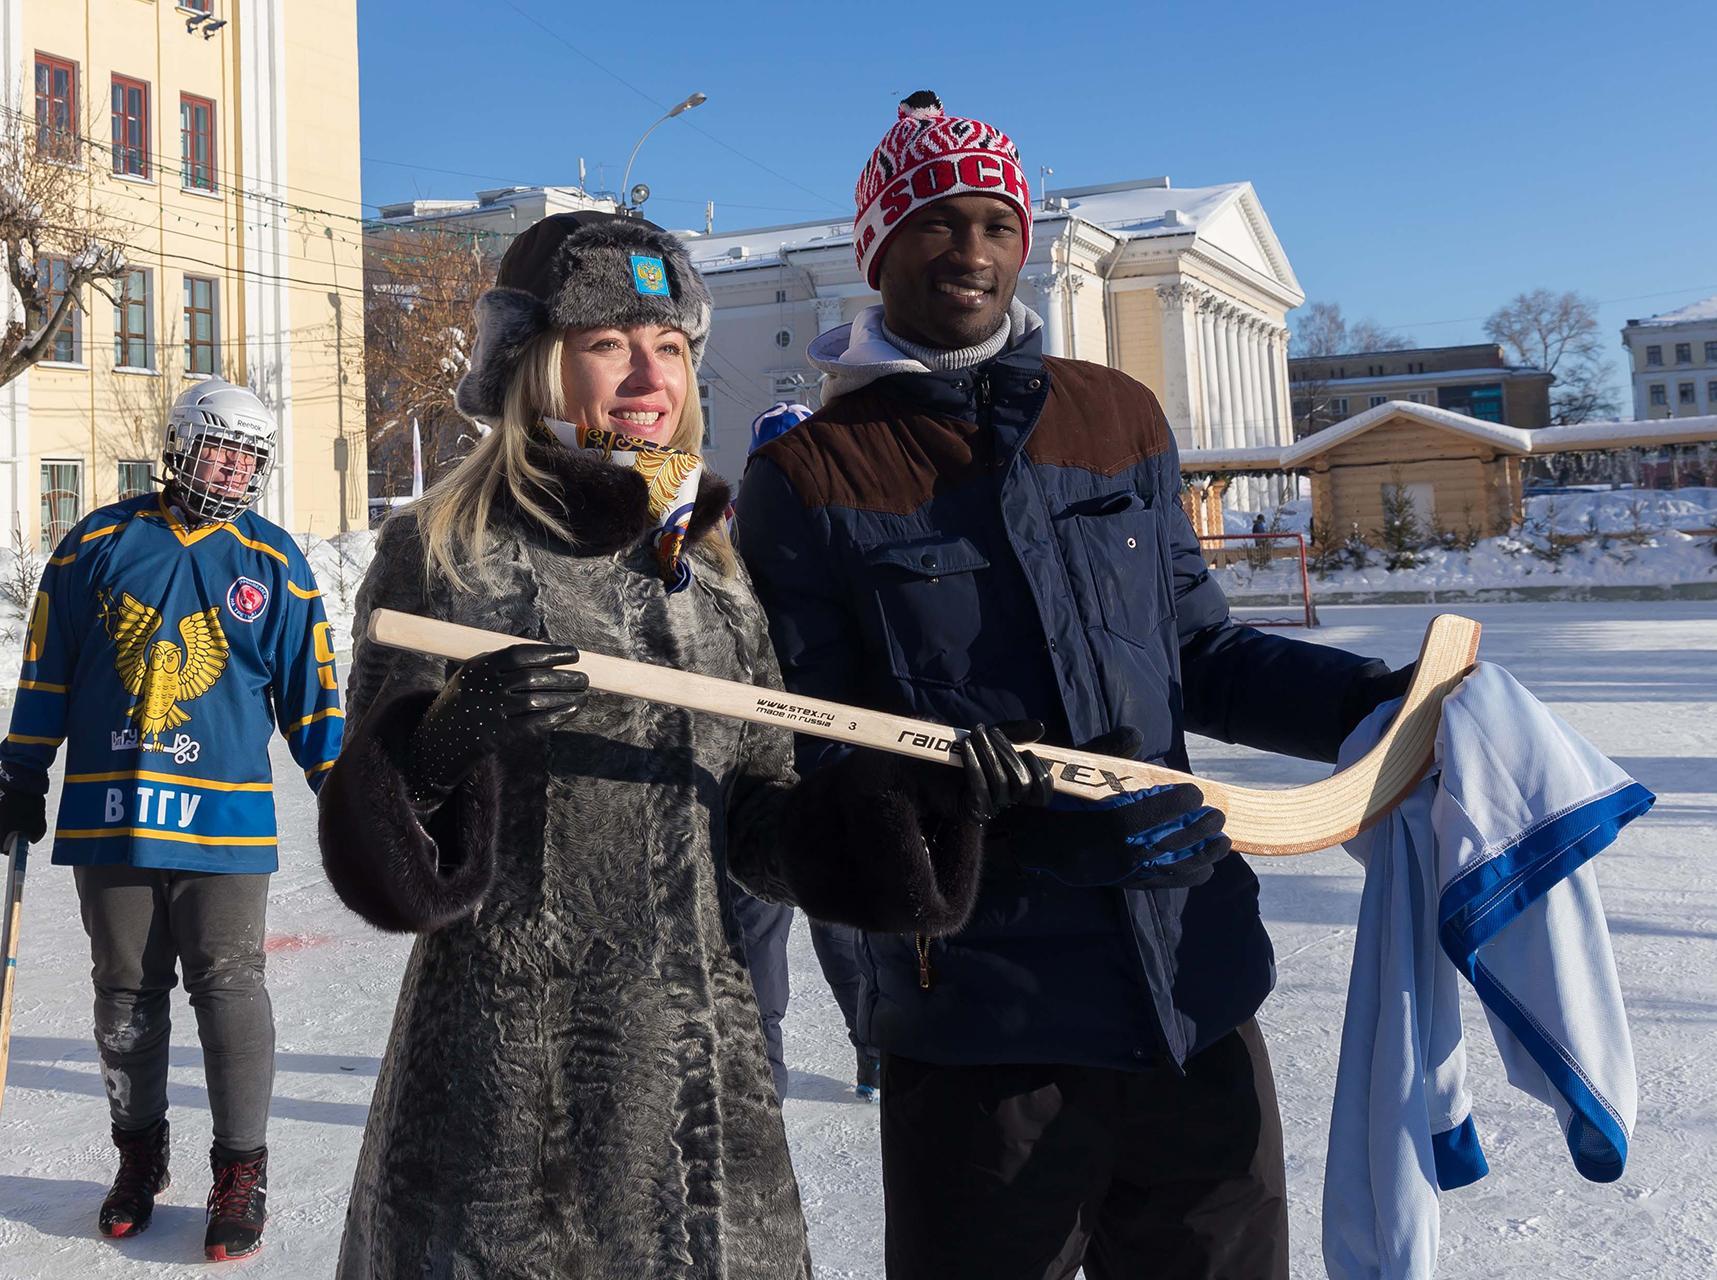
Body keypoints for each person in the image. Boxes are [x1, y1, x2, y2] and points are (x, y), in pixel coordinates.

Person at [735, 92, 1414, 1279]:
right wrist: (991, 829)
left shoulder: (1116, 416)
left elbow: (1200, 650)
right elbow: (811, 751)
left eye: (997, 224)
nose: (975, 252)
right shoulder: (810, 475)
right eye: (939, 223)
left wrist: (1377, 703)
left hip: (1191, 989)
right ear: (878, 247)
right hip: (982, 1027)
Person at [316, 211, 1047, 1279]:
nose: (645, 373)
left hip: (699, 1096)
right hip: (500, 1091)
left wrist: (905, 797)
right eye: (607, 341)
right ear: (533, 361)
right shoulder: (444, 551)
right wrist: (438, 746)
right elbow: (375, 842)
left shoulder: (712, 562)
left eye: (667, 345)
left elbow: (759, 821)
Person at [0, 378, 342, 1261]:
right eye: (221, 448)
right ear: (181, 446)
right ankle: (138, 1156)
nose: (235, 467)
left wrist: (341, 783)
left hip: (224, 821)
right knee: (124, 992)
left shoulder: (272, 562)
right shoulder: (98, 544)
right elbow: (47, 669)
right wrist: (18, 770)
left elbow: (314, 697)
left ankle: (240, 1170)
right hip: (112, 810)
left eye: (251, 456)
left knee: (228, 986)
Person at [730, 400, 883, 1105]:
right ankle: (766, 1071)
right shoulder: (719, 546)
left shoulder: (843, 535)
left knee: (833, 917)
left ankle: (869, 1049)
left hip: (824, 762)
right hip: (756, 765)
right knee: (761, 922)